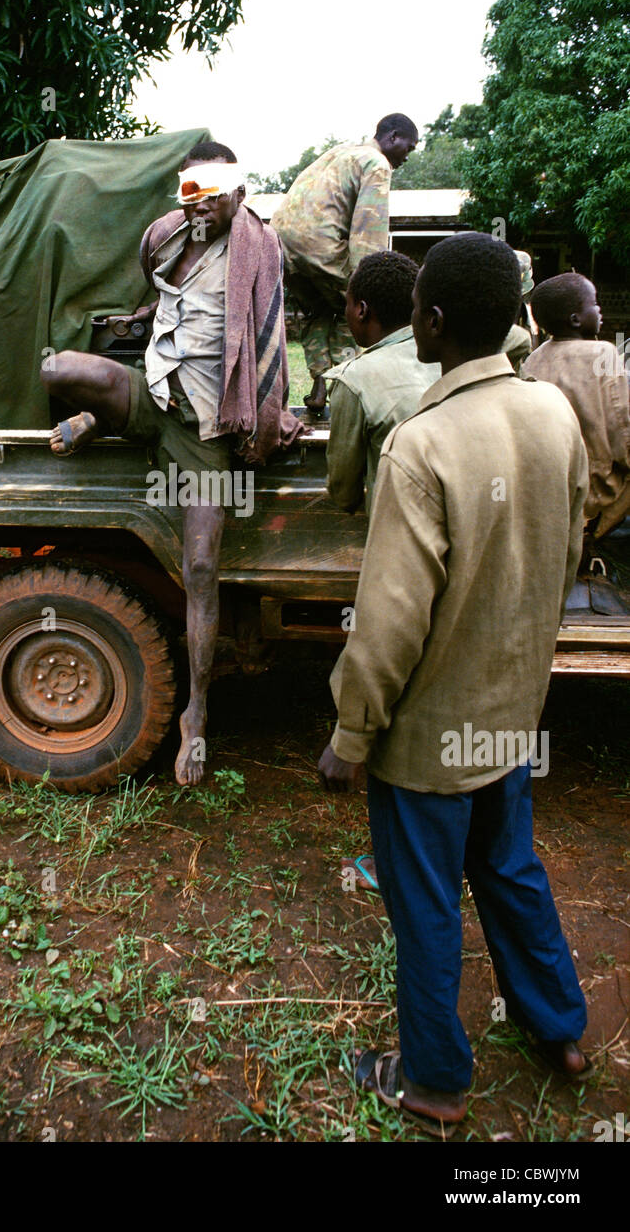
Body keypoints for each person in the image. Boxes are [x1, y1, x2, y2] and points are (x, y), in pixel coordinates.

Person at [318, 233, 591, 1136]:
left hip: (427, 739)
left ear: (429, 323)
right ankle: (560, 1030)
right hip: (510, 711)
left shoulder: (418, 446)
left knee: (426, 902)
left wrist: (350, 736)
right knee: (507, 867)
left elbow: (388, 627)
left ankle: (432, 1077)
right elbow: (568, 551)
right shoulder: (553, 414)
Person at [41, 142, 304, 787]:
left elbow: (269, 344)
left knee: (203, 566)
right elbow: (156, 300)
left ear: (238, 193)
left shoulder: (257, 249)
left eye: (214, 194)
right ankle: (102, 417)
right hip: (153, 395)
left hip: (205, 428)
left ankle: (197, 716)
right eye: (194, 192)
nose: (202, 205)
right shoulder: (167, 237)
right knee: (58, 367)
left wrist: (267, 426)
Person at [271, 114, 419, 416]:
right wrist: (370, 282)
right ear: (392, 137)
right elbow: (368, 228)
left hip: (282, 247)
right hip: (320, 247)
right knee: (358, 307)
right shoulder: (377, 164)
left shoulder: (342, 151)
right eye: (409, 147)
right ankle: (345, 392)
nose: (408, 155)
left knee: (319, 310)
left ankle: (320, 386)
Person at [324, 250, 437, 516]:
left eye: (347, 304)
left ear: (361, 310)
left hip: (400, 534)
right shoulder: (449, 354)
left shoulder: (354, 379)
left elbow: (344, 490)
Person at [522, 273, 630, 540]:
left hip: (549, 490)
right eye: (594, 303)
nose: (600, 309)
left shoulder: (534, 360)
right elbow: (622, 424)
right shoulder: (602, 353)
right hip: (597, 492)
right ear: (575, 319)